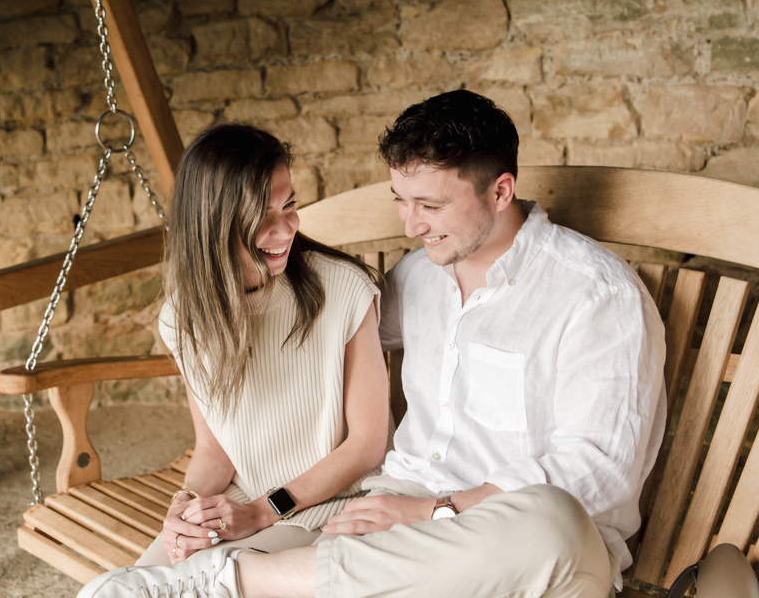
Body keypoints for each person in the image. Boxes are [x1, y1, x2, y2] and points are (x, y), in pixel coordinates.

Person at [77, 90, 667, 598]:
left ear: (501, 191)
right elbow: (313, 348)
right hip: (389, 532)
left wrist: (434, 512)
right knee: (298, 545)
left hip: (525, 557)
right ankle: (233, 574)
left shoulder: (596, 297)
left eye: (430, 206)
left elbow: (597, 472)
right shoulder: (419, 277)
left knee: (551, 518)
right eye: (401, 203)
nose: (411, 226)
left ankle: (233, 581)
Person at [132, 123, 391, 567]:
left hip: (328, 505)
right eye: (259, 218)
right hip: (242, 501)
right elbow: (214, 449)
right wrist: (184, 505)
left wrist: (261, 511)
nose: (285, 228)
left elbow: (368, 444)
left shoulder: (344, 290)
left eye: (289, 205)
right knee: (130, 588)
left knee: (212, 587)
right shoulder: (182, 318)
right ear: (212, 228)